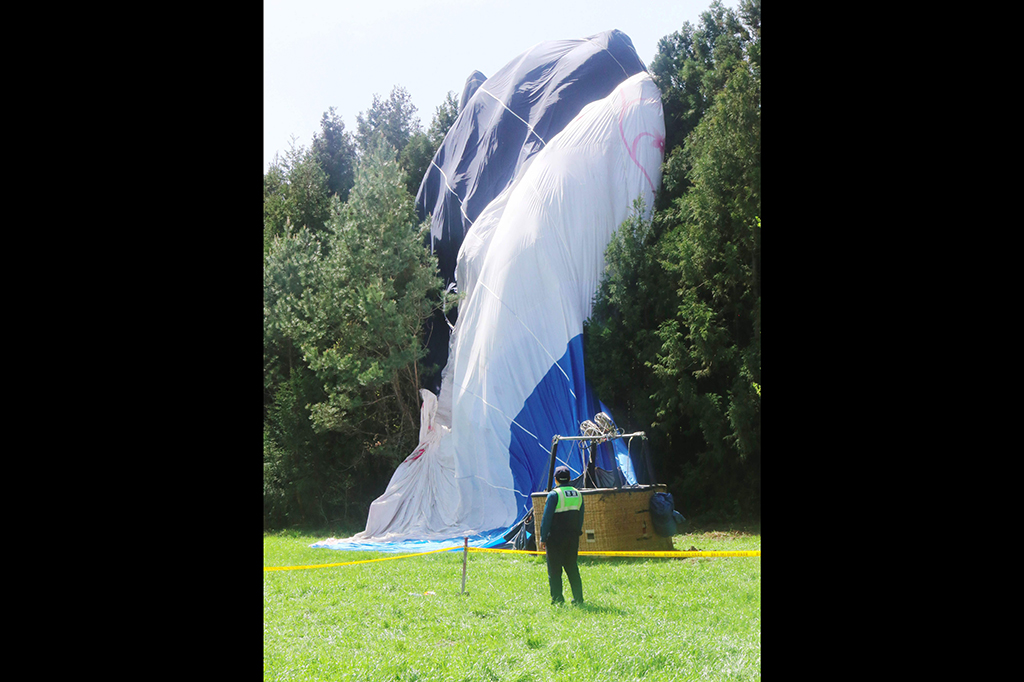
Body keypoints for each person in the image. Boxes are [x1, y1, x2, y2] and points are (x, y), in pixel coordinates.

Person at [539, 466, 585, 605]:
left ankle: (558, 600)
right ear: (570, 479)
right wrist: (577, 532)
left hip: (555, 538)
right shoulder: (578, 494)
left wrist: (543, 537)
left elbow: (546, 518)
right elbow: (581, 516)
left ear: (556, 480)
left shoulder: (554, 495)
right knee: (572, 567)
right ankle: (578, 599)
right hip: (572, 537)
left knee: (554, 570)